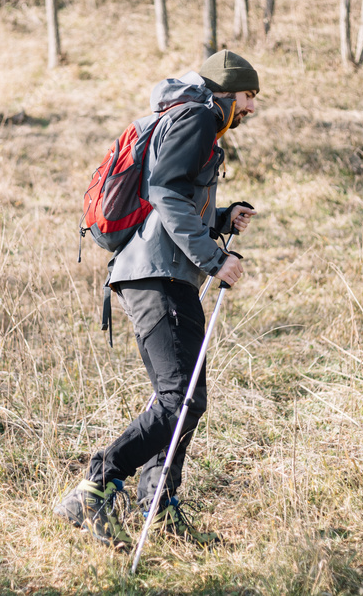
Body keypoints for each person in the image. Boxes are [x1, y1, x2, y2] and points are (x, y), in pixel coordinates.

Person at [54, 50, 260, 548]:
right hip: (158, 277)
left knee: (185, 399)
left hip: (159, 273)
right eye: (249, 96)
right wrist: (214, 258)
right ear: (227, 92)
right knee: (179, 400)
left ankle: (158, 506)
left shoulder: (192, 120)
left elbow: (173, 199)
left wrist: (220, 216)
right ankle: (94, 486)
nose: (252, 108)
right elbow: (165, 190)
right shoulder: (196, 116)